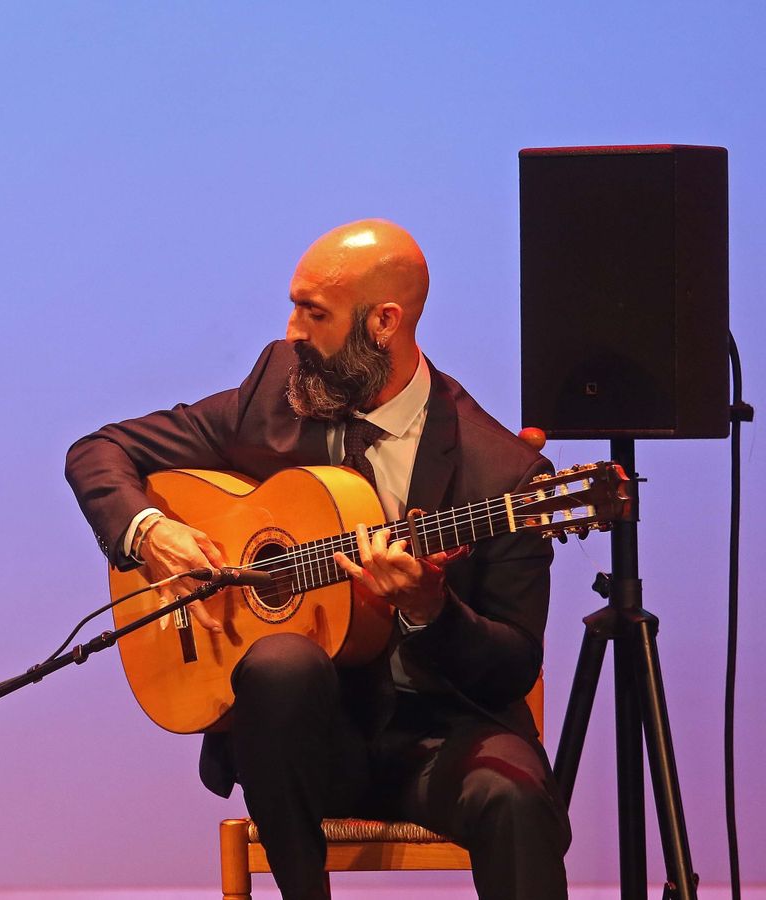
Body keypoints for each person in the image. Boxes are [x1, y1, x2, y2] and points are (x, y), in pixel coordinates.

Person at [64, 220, 569, 900]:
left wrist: (429, 608)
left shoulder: (503, 474)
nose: (293, 330)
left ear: (384, 322)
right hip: (309, 744)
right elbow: (99, 451)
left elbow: (512, 663)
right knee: (281, 663)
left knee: (516, 801)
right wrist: (152, 534)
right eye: (296, 306)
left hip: (444, 735)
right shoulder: (279, 392)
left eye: (315, 312)